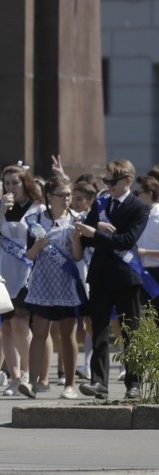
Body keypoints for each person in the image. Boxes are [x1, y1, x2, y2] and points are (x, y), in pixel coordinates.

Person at [76, 159, 151, 400]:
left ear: (127, 180)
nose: (107, 185)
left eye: (112, 181)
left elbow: (126, 241)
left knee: (131, 332)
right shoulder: (100, 203)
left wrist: (97, 233)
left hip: (126, 277)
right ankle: (99, 383)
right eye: (105, 181)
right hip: (99, 275)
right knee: (98, 330)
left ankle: (134, 383)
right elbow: (86, 235)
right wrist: (96, 228)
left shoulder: (138, 208)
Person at [19, 176, 85, 400]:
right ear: (49, 197)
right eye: (62, 195)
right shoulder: (35, 220)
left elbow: (77, 256)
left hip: (67, 284)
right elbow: (28, 255)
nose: (67, 199)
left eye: (69, 195)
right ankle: (33, 382)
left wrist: (77, 239)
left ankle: (70, 384)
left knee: (68, 336)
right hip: (42, 283)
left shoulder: (77, 219)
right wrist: (38, 245)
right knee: (39, 333)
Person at [0, 163, 42, 397]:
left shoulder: (36, 208)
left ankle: (30, 375)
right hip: (2, 271)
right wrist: (1, 210)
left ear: (25, 184)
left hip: (26, 271)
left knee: (21, 325)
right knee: (7, 327)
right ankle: (14, 377)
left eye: (15, 182)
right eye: (7, 183)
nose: (11, 187)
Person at [135, 175, 159, 317]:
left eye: (137, 193)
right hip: (140, 271)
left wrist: (145, 252)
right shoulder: (138, 214)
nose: (134, 196)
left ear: (149, 193)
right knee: (146, 319)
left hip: (157, 272)